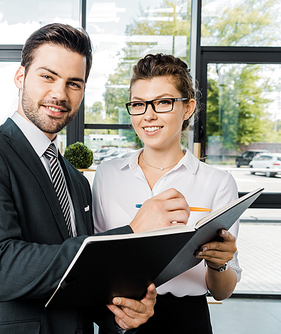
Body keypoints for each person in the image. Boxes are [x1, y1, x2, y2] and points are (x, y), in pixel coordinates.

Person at [0, 24, 191, 334]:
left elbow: (79, 281)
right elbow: (1, 268)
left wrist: (121, 314)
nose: (59, 94)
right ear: (21, 77)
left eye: (74, 83)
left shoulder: (76, 181)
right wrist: (131, 232)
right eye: (47, 77)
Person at [92, 53, 241, 334]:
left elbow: (222, 292)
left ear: (187, 108)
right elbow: (98, 263)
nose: (148, 115)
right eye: (138, 104)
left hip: (186, 321)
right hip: (120, 319)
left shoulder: (218, 183)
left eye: (163, 102)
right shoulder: (107, 174)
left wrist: (219, 265)